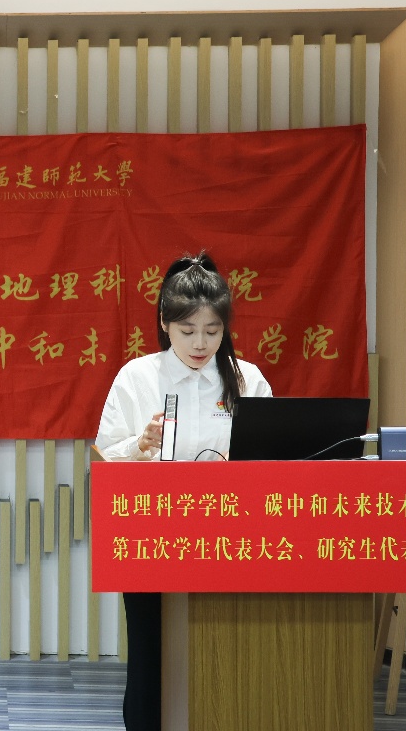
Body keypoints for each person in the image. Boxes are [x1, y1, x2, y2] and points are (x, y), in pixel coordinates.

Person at [94, 252, 272, 731]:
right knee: (150, 648)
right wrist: (141, 443)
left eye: (212, 331)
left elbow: (272, 455)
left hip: (228, 532)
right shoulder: (137, 377)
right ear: (164, 324)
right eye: (188, 330)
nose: (200, 343)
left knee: (226, 647)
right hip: (151, 533)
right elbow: (106, 454)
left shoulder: (246, 379)